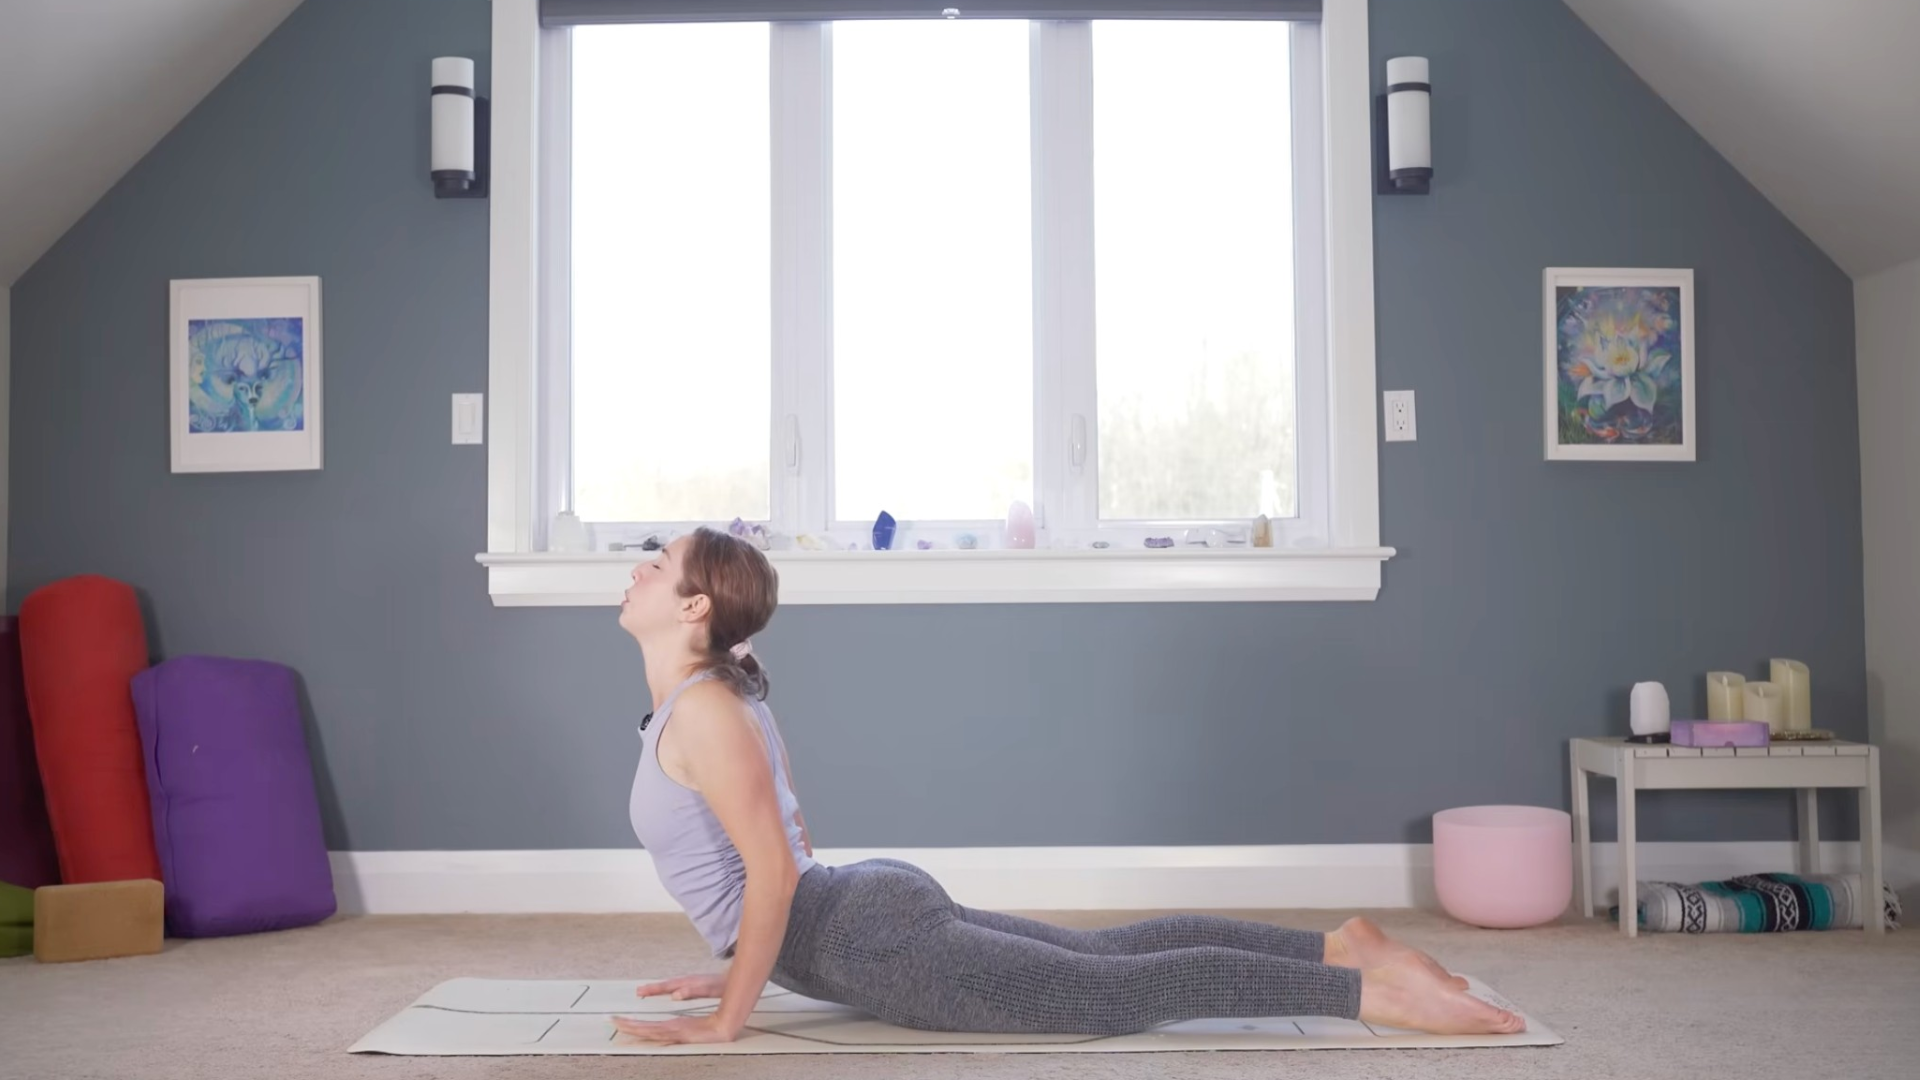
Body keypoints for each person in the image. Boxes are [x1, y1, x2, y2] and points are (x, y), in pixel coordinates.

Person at [609, 526, 1525, 1045]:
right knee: (1111, 956)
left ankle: (1371, 994)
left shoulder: (708, 711)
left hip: (858, 933)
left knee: (1103, 997)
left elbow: (771, 873)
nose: (639, 567)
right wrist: (742, 958)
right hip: (854, 914)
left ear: (694, 608)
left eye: (658, 563)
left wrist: (731, 1016)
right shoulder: (706, 697)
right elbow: (766, 865)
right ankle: (1339, 947)